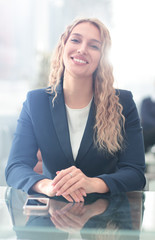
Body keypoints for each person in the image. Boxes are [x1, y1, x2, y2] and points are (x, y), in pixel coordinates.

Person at [5, 17, 146, 203]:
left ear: (102, 58)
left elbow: (135, 173)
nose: (82, 49)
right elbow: (15, 166)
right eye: (75, 40)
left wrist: (92, 183)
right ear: (63, 45)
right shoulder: (36, 102)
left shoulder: (123, 103)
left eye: (94, 46)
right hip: (51, 217)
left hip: (106, 220)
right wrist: (46, 185)